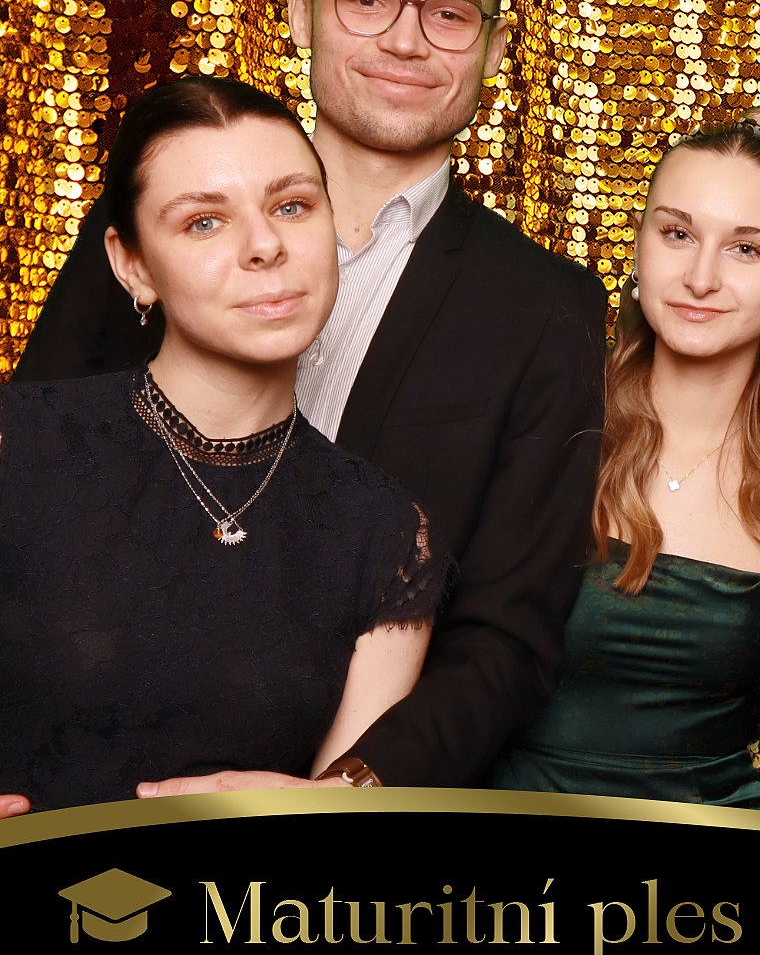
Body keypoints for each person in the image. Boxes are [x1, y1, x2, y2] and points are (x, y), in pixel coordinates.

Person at [19, 0, 609, 792]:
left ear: (495, 48)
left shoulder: (546, 308)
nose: (406, 40)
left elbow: (508, 637)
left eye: (448, 13)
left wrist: (342, 796)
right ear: (300, 12)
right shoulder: (163, 212)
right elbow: (26, 492)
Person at [0, 75, 449, 812]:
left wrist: (315, 806)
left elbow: (347, 821)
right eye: (204, 222)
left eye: (292, 206)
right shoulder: (17, 445)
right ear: (132, 264)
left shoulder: (387, 531)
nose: (265, 246)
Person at [492, 115, 760, 804]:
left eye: (746, 249)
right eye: (678, 234)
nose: (701, 277)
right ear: (640, 243)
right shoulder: (546, 428)